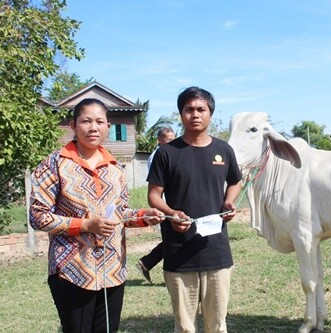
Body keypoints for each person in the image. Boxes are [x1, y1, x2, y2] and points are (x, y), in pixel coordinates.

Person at [29, 98, 164, 333]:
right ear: (74, 125)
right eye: (86, 121)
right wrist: (86, 225)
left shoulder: (114, 168)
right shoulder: (54, 164)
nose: (93, 127)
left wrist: (144, 216)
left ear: (108, 127)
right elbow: (38, 216)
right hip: (72, 271)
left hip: (112, 270)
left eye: (100, 121)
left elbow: (119, 213)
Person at [147, 87, 242, 333]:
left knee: (217, 325)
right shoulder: (166, 153)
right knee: (185, 327)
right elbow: (154, 195)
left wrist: (228, 202)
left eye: (201, 109)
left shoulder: (223, 150)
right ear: (181, 114)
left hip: (216, 251)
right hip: (178, 252)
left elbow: (235, 181)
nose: (195, 114)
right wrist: (172, 213)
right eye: (189, 109)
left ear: (211, 113)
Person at [137, 126, 176, 283]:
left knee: (170, 239)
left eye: (174, 138)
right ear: (160, 140)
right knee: (171, 240)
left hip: (170, 204)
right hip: (164, 205)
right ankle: (153, 266)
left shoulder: (168, 153)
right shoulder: (158, 156)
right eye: (169, 139)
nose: (172, 141)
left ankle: (146, 263)